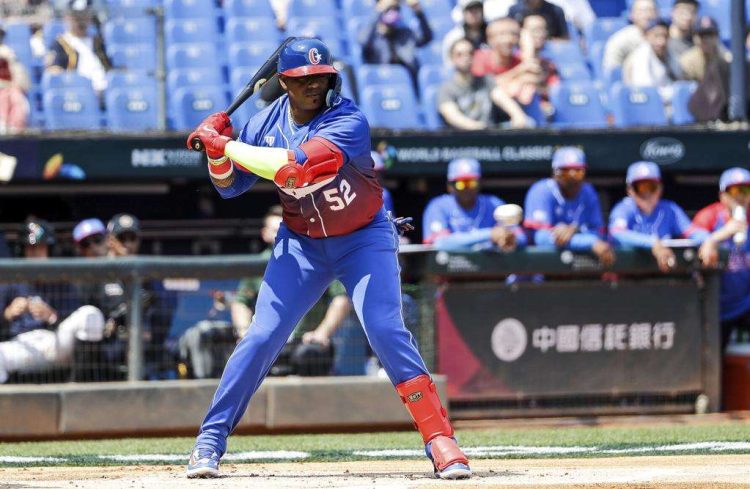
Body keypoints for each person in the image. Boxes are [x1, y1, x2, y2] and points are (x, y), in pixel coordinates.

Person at [184, 38, 471, 480]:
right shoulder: (264, 123)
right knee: (260, 338)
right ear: (284, 83)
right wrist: (216, 155)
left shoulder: (348, 119)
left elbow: (294, 169)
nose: (315, 85)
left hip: (363, 237)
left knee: (384, 329)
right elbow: (229, 187)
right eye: (304, 80)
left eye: (322, 77)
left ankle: (440, 439)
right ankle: (209, 442)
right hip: (301, 243)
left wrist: (225, 143)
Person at [232, 206, 348, 377]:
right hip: (269, 341)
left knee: (309, 355)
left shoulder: (317, 258)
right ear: (265, 234)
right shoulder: (258, 264)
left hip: (305, 342)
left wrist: (322, 333)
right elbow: (240, 301)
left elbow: (341, 299)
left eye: (285, 228)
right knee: (241, 358)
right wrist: (245, 332)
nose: (280, 233)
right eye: (275, 230)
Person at [0, 218, 104, 383]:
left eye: (41, 248)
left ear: (49, 250)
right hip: (21, 345)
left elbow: (75, 322)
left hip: (54, 341)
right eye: (31, 248)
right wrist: (6, 314)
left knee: (91, 314)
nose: (36, 254)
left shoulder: (61, 280)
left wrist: (52, 316)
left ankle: (80, 389)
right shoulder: (9, 281)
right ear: (23, 250)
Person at [609, 161, 708, 272]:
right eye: (641, 187)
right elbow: (617, 233)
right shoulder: (624, 208)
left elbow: (693, 232)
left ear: (660, 188)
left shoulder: (669, 209)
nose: (647, 193)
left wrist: (708, 241)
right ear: (630, 190)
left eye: (651, 187)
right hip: (626, 276)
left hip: (662, 277)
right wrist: (652, 243)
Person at [524, 146, 615, 267]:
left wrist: (574, 230)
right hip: (540, 267)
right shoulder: (541, 191)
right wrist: (589, 242)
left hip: (578, 267)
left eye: (578, 172)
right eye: (565, 172)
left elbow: (598, 233)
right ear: (554, 173)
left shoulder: (588, 192)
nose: (572, 178)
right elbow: (540, 239)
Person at [692, 167, 750, 349]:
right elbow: (695, 244)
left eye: (745, 190)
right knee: (713, 365)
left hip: (746, 302)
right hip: (715, 306)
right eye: (734, 191)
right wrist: (720, 235)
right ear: (722, 195)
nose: (740, 196)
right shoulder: (708, 216)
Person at [423, 157, 525, 252]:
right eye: (461, 184)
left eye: (472, 183)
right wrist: (490, 234)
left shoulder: (493, 203)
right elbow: (440, 243)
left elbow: (521, 237)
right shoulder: (438, 206)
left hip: (488, 268)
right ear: (450, 186)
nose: (467, 188)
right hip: (450, 268)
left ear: (480, 183)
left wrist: (508, 238)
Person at [440, 37, 532, 130]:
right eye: (459, 54)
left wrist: (517, 115)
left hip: (490, 135)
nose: (466, 57)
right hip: (463, 139)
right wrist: (477, 127)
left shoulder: (486, 80)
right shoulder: (446, 89)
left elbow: (502, 98)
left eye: (470, 53)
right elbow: (451, 115)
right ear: (451, 59)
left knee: (529, 122)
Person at [359, 0, 433, 90]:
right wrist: (379, 10)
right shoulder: (373, 36)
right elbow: (362, 41)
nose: (392, 11)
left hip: (408, 84)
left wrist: (418, 12)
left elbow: (426, 38)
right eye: (388, 9)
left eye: (396, 9)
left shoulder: (405, 33)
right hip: (383, 83)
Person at [45, 0, 111, 94]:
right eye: (77, 17)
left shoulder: (98, 42)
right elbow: (54, 71)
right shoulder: (61, 43)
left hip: (104, 91)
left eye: (84, 16)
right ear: (67, 17)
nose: (81, 21)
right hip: (78, 93)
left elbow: (109, 68)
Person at [623, 19, 682, 110]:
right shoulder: (640, 56)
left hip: (669, 104)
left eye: (664, 36)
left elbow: (679, 78)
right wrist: (675, 93)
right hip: (646, 107)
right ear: (646, 36)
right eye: (656, 36)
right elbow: (647, 91)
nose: (661, 41)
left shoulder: (670, 53)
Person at [603, 0, 657, 75]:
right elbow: (612, 72)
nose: (647, 15)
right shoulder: (619, 40)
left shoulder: (664, 38)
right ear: (632, 15)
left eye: (651, 10)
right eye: (642, 11)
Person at [0, 24, 30, 133]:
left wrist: (11, 60)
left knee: (15, 97)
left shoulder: (8, 54)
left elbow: (25, 84)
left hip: (8, 91)